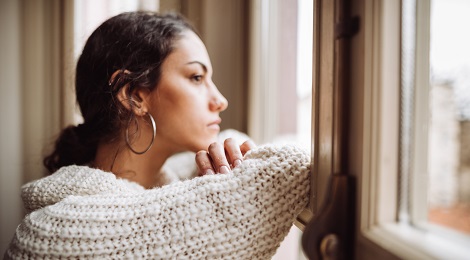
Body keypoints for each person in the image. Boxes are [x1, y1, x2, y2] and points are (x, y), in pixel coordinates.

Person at [4, 11, 310, 259]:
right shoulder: (54, 235)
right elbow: (289, 164)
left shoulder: (170, 189)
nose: (220, 100)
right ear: (134, 95)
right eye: (196, 77)